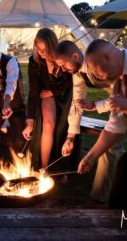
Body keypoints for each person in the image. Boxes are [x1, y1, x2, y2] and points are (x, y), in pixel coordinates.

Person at [54, 40, 126, 204]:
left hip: (120, 101)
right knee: (110, 145)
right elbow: (78, 104)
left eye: (63, 65)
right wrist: (72, 139)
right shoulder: (84, 74)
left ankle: (100, 199)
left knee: (112, 148)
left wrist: (100, 105)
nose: (96, 75)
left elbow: (118, 106)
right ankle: (102, 199)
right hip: (119, 103)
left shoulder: (111, 69)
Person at [77, 39, 127, 209]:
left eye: (96, 70)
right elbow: (115, 126)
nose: (97, 76)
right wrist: (90, 157)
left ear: (106, 57)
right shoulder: (119, 83)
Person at [22, 28, 76, 174]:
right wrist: (30, 121)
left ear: (53, 46)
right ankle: (44, 169)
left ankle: (61, 168)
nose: (41, 53)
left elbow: (71, 82)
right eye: (38, 49)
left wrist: (54, 91)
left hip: (64, 95)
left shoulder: (63, 56)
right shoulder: (35, 61)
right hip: (46, 96)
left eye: (45, 49)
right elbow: (34, 92)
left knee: (61, 129)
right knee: (47, 124)